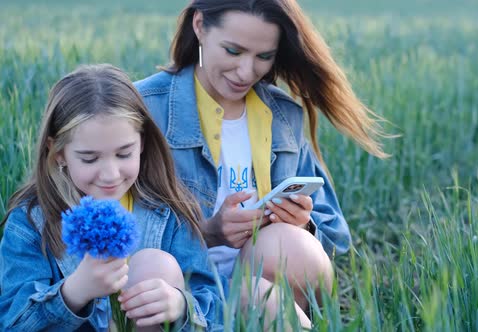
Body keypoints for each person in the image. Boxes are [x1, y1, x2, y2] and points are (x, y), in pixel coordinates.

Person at [135, 0, 388, 327]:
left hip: (255, 282)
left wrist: (302, 225)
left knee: (291, 249)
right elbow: (111, 221)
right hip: (179, 286)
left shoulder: (284, 116)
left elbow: (335, 235)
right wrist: (208, 232)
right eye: (233, 51)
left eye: (263, 57)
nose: (246, 72)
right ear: (199, 26)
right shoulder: (146, 106)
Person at [0, 64, 225, 331]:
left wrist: (180, 306)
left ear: (141, 142)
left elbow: (216, 310)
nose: (110, 174)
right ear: (58, 152)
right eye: (90, 158)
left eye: (123, 154)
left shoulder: (169, 213)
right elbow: (13, 323)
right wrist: (73, 293)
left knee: (155, 264)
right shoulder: (31, 223)